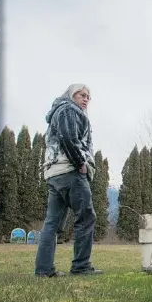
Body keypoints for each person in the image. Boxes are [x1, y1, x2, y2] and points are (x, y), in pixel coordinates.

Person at [35, 84, 102, 277]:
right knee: (86, 217)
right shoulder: (68, 110)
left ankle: (44, 270)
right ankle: (81, 266)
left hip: (54, 173)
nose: (86, 99)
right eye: (82, 94)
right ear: (71, 95)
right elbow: (67, 137)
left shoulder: (60, 111)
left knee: (52, 223)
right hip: (70, 171)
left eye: (88, 96)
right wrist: (80, 162)